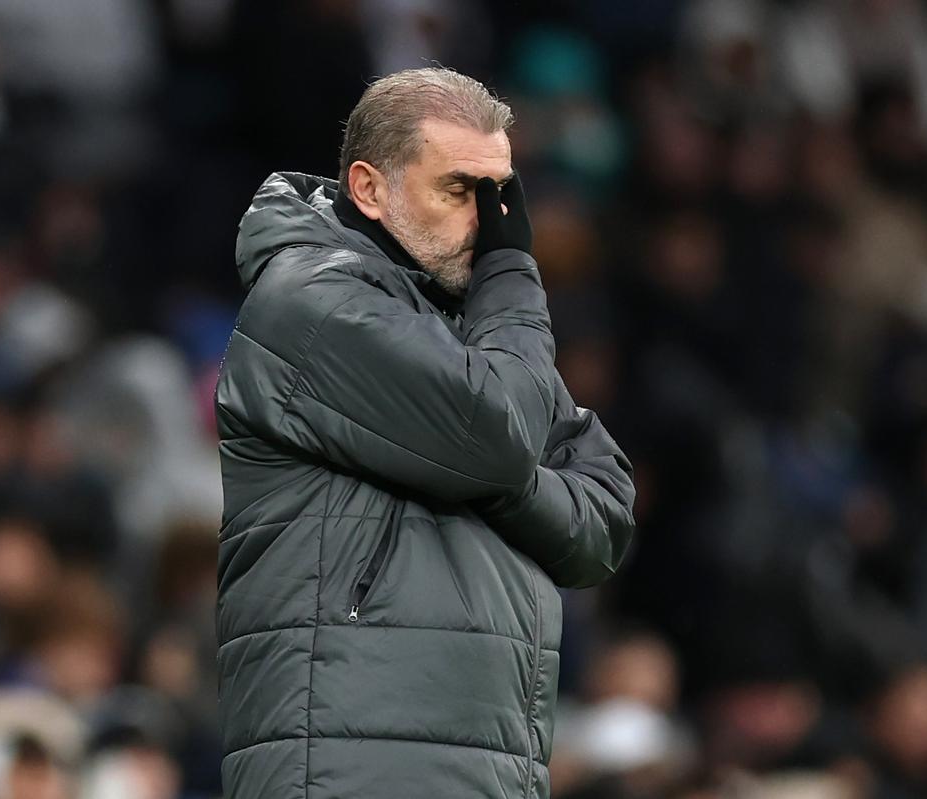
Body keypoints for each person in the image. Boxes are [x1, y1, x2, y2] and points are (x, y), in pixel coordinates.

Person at [214, 67, 636, 798]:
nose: (493, 223)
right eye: (460, 190)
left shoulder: (479, 341)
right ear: (371, 188)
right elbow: (502, 437)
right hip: (351, 768)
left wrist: (485, 468)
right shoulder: (309, 302)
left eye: (503, 195)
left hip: (486, 765)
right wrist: (511, 273)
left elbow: (603, 517)